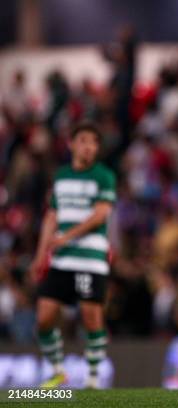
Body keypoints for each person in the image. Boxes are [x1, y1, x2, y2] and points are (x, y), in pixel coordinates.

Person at [29, 123, 116, 389]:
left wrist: (66, 237)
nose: (89, 146)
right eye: (83, 141)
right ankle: (58, 370)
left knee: (91, 317)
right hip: (62, 259)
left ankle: (93, 378)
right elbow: (51, 216)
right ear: (72, 144)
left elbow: (101, 214)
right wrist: (40, 254)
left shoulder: (103, 176)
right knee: (43, 318)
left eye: (93, 142)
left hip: (90, 258)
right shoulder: (61, 175)